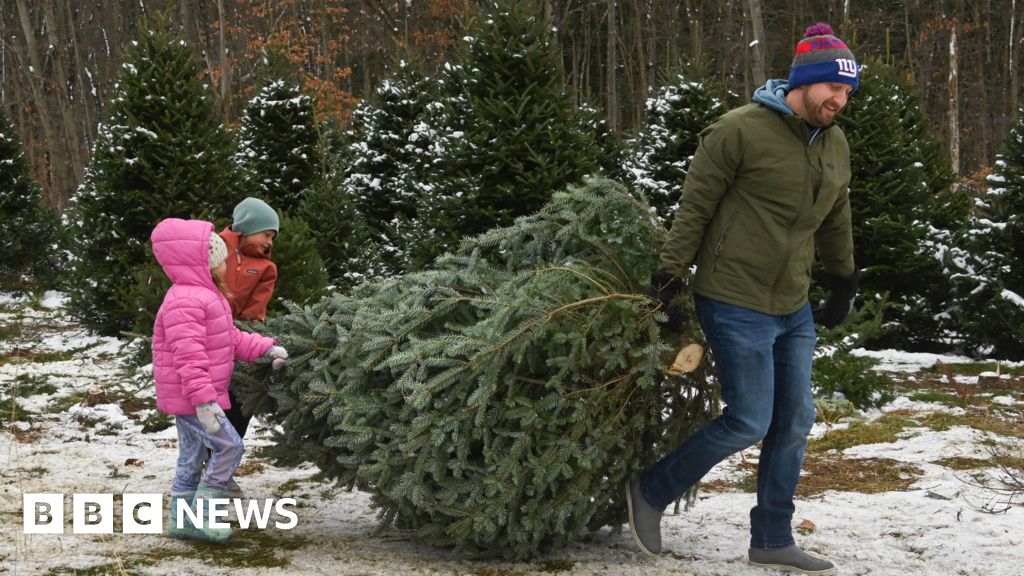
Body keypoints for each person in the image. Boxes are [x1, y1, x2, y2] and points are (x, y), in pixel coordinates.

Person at [625, 23, 860, 576]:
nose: (840, 101)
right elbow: (695, 208)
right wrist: (669, 275)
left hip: (793, 302)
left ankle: (773, 538)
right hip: (734, 296)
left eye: (848, 92)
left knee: (796, 418)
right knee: (751, 419)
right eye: (834, 89)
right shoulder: (738, 131)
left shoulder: (835, 142)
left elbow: (837, 214)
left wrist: (843, 277)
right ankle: (650, 491)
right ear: (803, 83)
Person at [150, 218, 289, 542]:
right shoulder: (186, 301)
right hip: (197, 400)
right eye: (221, 259)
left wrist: (267, 348)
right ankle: (204, 516)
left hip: (196, 399)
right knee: (230, 446)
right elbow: (189, 358)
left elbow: (230, 338)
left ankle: (181, 521)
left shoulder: (204, 296)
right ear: (203, 262)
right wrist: (203, 402)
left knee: (192, 457)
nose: (227, 264)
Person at [217, 197, 281, 495]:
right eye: (266, 234)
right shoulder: (215, 249)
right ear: (247, 227)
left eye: (272, 237)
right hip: (205, 331)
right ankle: (199, 465)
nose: (269, 241)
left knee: (241, 400)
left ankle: (223, 468)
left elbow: (256, 311)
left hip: (235, 337)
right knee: (207, 404)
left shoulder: (265, 267)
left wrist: (247, 338)